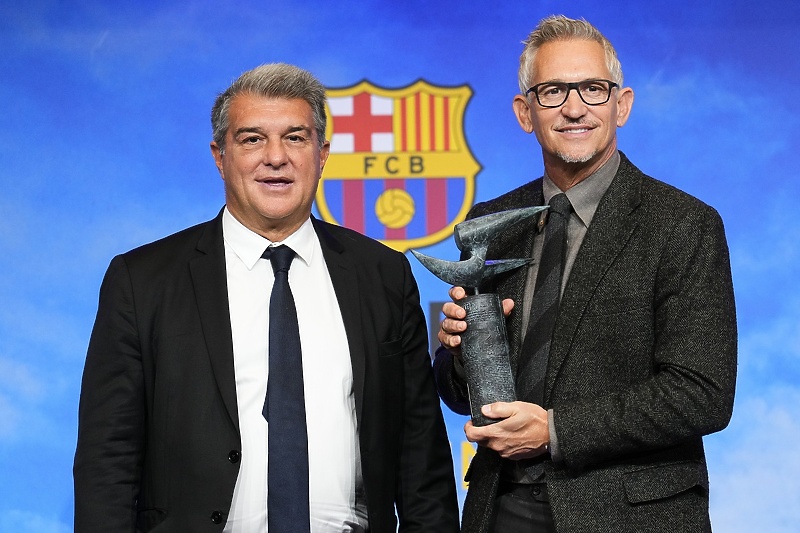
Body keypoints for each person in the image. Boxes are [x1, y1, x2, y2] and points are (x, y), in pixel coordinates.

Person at [73, 63, 459, 532]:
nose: (275, 157)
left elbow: (421, 456)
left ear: (322, 155)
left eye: (295, 138)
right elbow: (107, 460)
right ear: (219, 156)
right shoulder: (142, 281)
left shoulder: (382, 275)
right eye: (252, 139)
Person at [434, 15, 737, 533]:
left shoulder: (684, 224)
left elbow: (701, 392)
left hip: (633, 515)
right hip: (499, 507)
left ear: (622, 105)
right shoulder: (490, 223)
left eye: (593, 89)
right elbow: (460, 394)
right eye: (552, 91)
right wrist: (459, 352)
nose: (574, 108)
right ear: (525, 112)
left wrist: (556, 430)